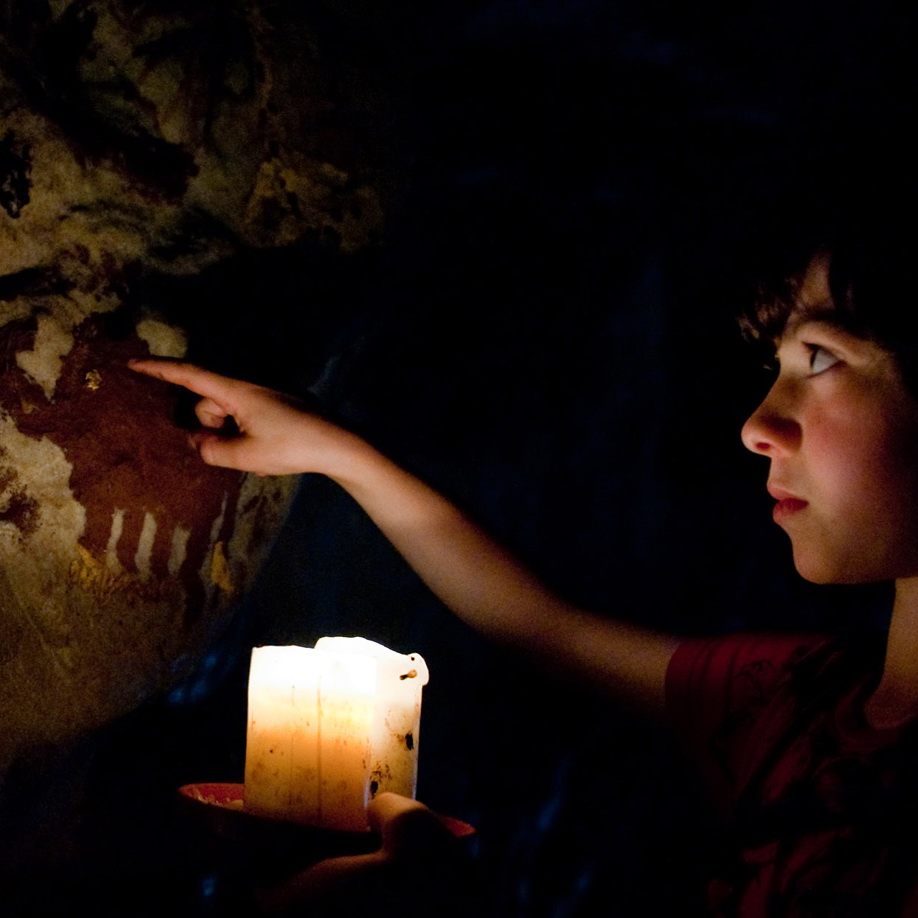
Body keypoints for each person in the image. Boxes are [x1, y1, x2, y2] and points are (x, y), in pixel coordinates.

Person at [130, 226, 918, 915]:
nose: (757, 426)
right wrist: (335, 452)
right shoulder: (796, 702)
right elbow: (545, 628)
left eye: (820, 357)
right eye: (776, 364)